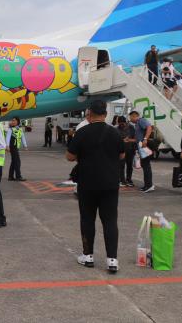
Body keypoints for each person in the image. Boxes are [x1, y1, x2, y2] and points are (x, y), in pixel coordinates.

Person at [66, 100, 124, 273]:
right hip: (110, 183)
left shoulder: (82, 132)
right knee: (110, 221)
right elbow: (122, 155)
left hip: (88, 183)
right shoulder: (115, 133)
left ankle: (88, 256)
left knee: (87, 219)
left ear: (89, 114)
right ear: (105, 114)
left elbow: (69, 156)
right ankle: (112, 260)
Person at [129, 110, 154, 192]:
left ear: (134, 116)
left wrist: (145, 139)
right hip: (141, 147)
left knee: (146, 165)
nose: (130, 119)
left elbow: (149, 127)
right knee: (145, 165)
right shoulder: (137, 124)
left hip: (144, 147)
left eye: (130, 117)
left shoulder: (141, 121)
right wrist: (129, 140)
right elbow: (137, 139)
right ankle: (147, 184)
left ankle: (149, 185)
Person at [116, 116, 135, 187]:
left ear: (125, 122)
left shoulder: (131, 128)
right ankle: (122, 180)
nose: (121, 125)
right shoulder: (116, 129)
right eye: (120, 124)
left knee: (129, 165)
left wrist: (129, 140)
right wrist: (122, 140)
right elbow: (115, 140)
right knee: (121, 166)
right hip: (121, 151)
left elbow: (135, 138)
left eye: (123, 124)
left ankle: (129, 180)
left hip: (130, 150)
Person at [6, 117, 27, 182]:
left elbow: (23, 137)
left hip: (16, 147)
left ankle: (10, 176)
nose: (13, 122)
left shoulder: (20, 129)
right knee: (17, 162)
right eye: (12, 120)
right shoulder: (10, 129)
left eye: (14, 120)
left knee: (14, 161)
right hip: (12, 147)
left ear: (18, 122)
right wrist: (7, 146)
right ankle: (18, 176)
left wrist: (25, 145)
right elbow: (7, 138)